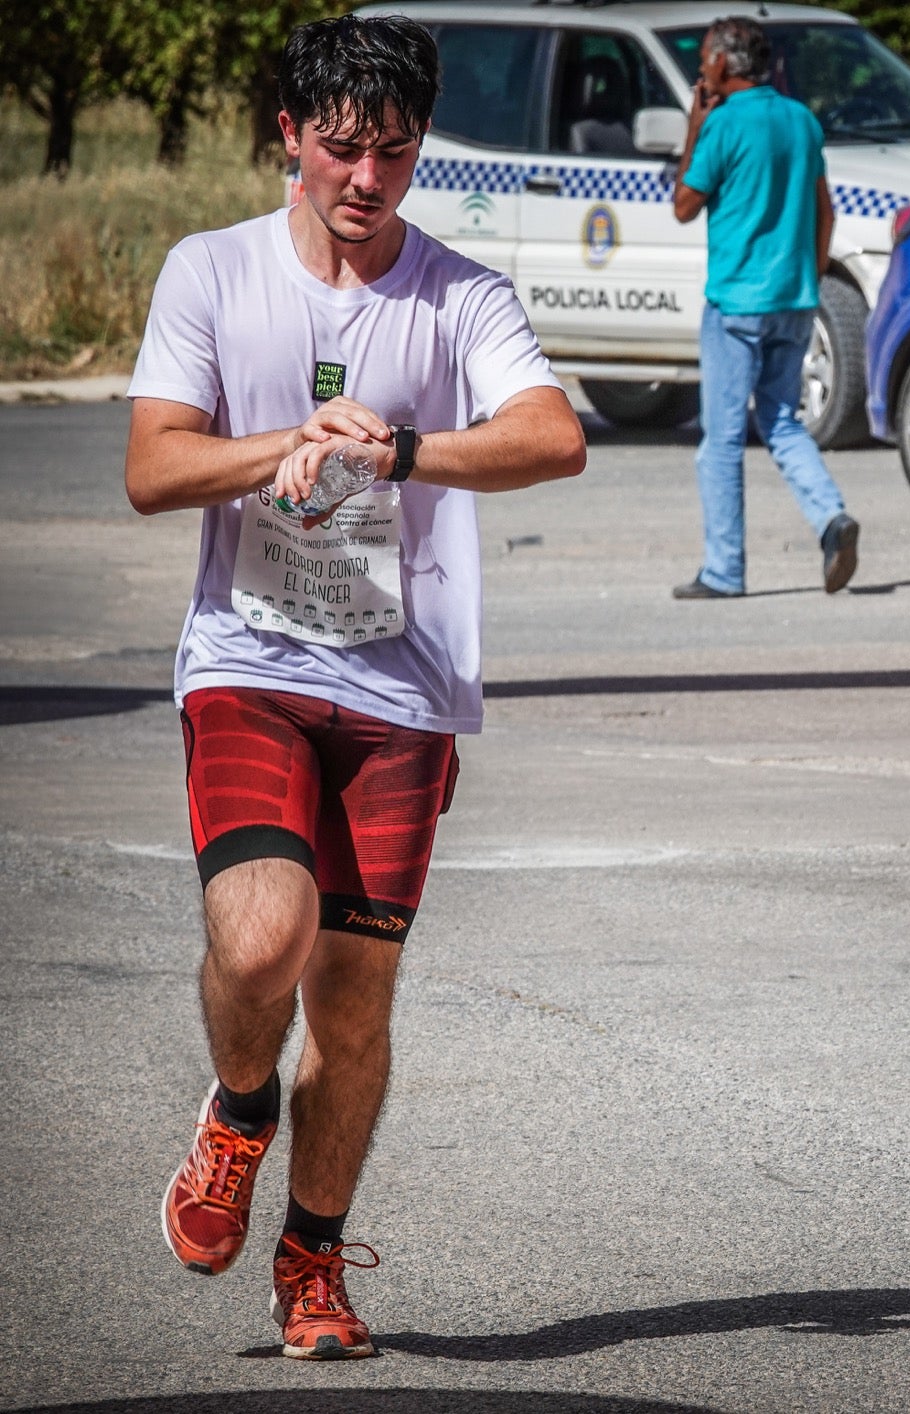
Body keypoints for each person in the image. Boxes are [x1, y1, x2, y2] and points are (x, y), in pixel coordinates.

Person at [124, 14, 585, 1360]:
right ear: (290, 135)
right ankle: (238, 1107)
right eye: (341, 148)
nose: (367, 179)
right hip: (251, 666)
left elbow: (553, 435)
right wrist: (286, 441)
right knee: (262, 940)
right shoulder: (213, 271)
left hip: (401, 692)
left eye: (394, 150)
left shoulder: (459, 294)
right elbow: (154, 467)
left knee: (354, 999)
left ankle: (312, 1261)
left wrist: (401, 449)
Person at [670, 16, 859, 599]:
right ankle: (832, 518)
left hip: (735, 303)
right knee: (780, 421)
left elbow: (683, 205)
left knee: (722, 440)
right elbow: (825, 211)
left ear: (722, 64)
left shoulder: (723, 123)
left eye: (704, 58)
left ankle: (724, 571)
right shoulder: (801, 119)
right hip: (794, 299)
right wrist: (813, 274)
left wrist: (694, 127)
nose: (701, 69)